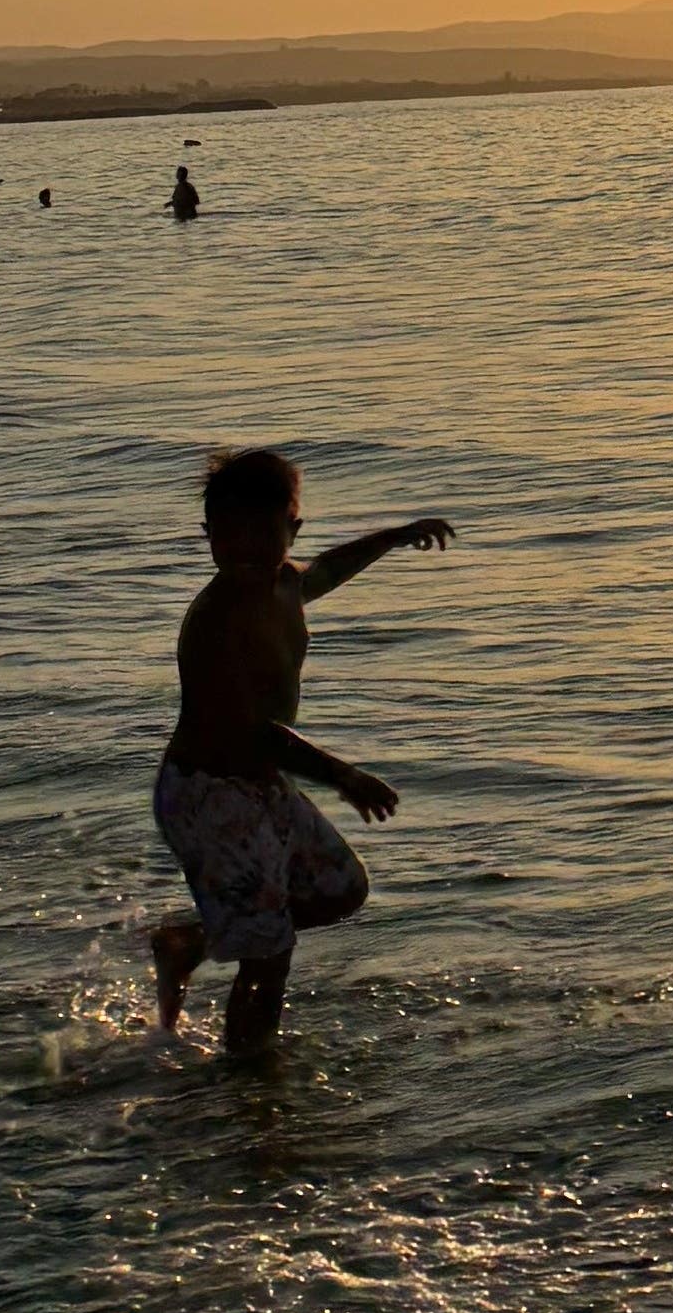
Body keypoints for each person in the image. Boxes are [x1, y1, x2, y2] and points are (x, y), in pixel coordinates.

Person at [145, 449, 456, 1050]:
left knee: (341, 888)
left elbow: (327, 570)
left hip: (259, 781)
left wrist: (393, 537)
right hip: (208, 795)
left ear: (292, 530)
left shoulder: (285, 584)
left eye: (263, 534)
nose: (245, 551)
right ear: (209, 536)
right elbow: (251, 729)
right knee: (268, 954)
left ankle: (191, 942)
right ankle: (250, 1079)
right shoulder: (217, 619)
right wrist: (343, 776)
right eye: (228, 536)